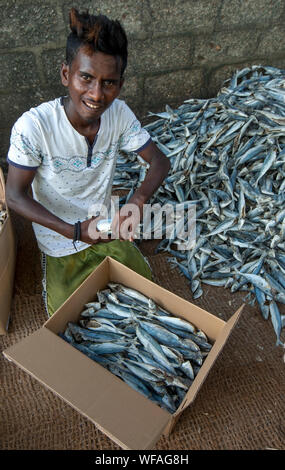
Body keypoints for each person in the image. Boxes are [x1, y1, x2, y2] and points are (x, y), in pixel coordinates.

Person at [5, 8, 170, 316]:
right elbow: (14, 196)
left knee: (148, 297)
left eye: (109, 83)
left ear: (120, 84)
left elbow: (159, 162)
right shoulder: (34, 127)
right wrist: (73, 231)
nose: (97, 94)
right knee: (69, 315)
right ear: (66, 74)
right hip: (60, 238)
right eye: (86, 78)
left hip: (105, 226)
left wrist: (136, 201)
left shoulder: (119, 114)